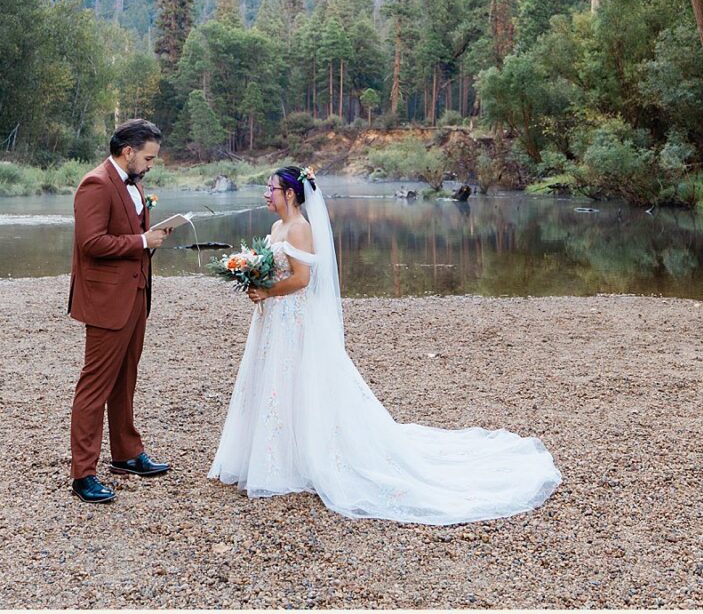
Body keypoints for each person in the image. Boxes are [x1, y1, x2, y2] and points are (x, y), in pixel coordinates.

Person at [208, 165, 561, 524]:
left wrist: (267, 289)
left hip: (293, 319)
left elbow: (302, 278)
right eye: (267, 188)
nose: (266, 194)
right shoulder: (274, 228)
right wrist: (255, 280)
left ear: (290, 193)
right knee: (275, 382)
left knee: (300, 379)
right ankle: (276, 455)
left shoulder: (300, 229)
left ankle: (303, 457)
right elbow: (276, 268)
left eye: (271, 188)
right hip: (272, 319)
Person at [67, 119, 175, 504]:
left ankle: (126, 454)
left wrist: (152, 240)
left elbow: (129, 238)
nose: (150, 165)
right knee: (95, 385)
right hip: (107, 300)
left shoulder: (134, 184)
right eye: (148, 157)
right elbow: (91, 243)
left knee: (126, 379)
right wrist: (141, 240)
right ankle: (83, 474)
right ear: (127, 152)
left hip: (135, 295)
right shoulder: (95, 184)